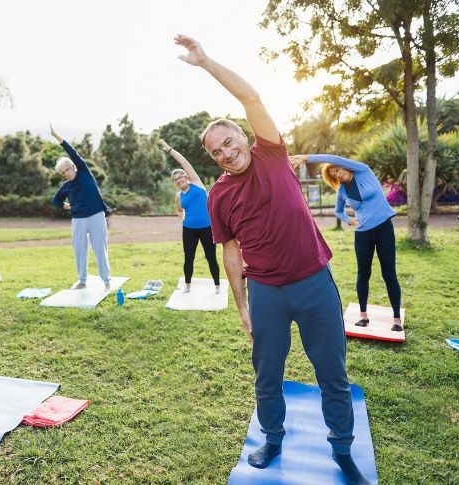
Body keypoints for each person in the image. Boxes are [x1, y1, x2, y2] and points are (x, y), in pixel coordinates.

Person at [174, 34, 368, 484]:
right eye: (216, 150)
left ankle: (342, 449)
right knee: (267, 376)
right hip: (266, 293)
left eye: (229, 141)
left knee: (332, 375)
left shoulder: (273, 154)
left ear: (244, 135)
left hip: (314, 283)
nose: (226, 151)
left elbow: (250, 95)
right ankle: (273, 437)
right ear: (213, 158)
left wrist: (205, 62)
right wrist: (242, 305)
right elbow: (230, 251)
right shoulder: (219, 195)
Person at [295, 154, 402, 331]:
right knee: (363, 273)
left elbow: (331, 157)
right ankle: (363, 316)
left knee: (389, 273)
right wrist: (348, 219)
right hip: (362, 234)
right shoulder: (343, 190)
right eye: (333, 174)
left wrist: (306, 158)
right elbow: (338, 211)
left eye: (337, 170)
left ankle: (396, 318)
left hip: (384, 228)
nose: (337, 174)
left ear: (344, 166)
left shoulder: (363, 171)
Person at [50, 124, 112, 290]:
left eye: (68, 169)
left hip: (96, 215)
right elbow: (56, 201)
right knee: (79, 250)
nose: (67, 173)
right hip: (78, 220)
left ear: (73, 167)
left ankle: (106, 281)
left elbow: (72, 152)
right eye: (63, 173)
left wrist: (57, 137)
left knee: (100, 248)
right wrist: (68, 206)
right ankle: (82, 281)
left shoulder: (84, 172)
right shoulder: (66, 186)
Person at [160, 138, 220, 294]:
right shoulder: (179, 196)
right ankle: (187, 286)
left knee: (211, 257)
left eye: (181, 176)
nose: (179, 179)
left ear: (186, 176)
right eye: (176, 179)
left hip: (207, 228)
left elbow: (185, 163)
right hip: (189, 230)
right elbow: (179, 210)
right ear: (175, 183)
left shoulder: (197, 184)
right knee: (189, 257)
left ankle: (218, 287)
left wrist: (169, 149)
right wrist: (183, 219)